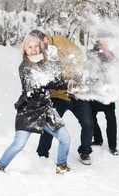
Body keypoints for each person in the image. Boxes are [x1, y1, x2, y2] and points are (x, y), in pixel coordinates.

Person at [0, 35, 71, 174]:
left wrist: (68, 83)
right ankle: (0, 166)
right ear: (24, 49)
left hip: (46, 109)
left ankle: (62, 165)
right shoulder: (24, 67)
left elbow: (55, 79)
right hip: (29, 111)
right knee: (18, 144)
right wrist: (52, 75)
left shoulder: (44, 63)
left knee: (65, 138)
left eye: (36, 46)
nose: (34, 50)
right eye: (29, 47)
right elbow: (37, 84)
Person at [29, 30, 94, 165]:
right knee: (50, 125)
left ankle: (85, 151)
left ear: (45, 38)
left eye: (39, 43)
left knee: (88, 123)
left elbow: (77, 54)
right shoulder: (39, 57)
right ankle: (42, 154)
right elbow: (46, 79)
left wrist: (78, 73)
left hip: (77, 95)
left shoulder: (60, 40)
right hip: (57, 96)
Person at [87, 39, 119, 156]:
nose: (104, 45)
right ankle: (98, 139)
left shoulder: (113, 56)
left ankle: (113, 146)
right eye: (102, 42)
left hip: (108, 93)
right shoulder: (91, 54)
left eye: (106, 42)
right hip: (94, 92)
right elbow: (87, 71)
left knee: (111, 118)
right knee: (91, 118)